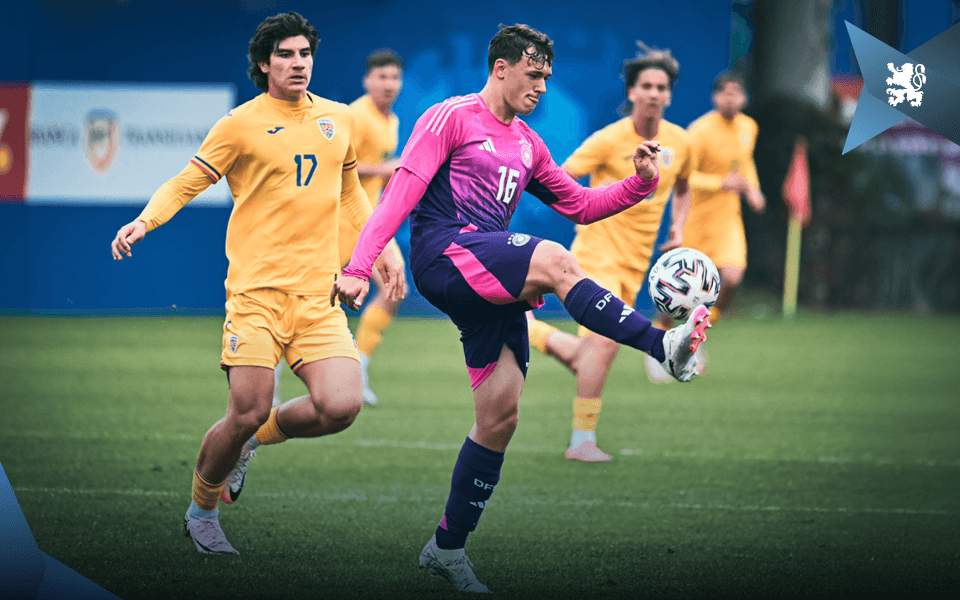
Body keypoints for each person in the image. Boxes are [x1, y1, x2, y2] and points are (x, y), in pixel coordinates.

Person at [332, 24, 710, 593]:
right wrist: (360, 266)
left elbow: (581, 205)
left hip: (485, 273)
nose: (540, 87)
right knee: (558, 262)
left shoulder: (529, 143)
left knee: (500, 419)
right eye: (532, 75)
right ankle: (664, 345)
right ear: (501, 68)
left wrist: (638, 183)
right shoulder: (449, 117)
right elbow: (399, 197)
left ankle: (446, 547)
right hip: (444, 252)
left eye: (547, 78)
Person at [109, 11, 403, 555]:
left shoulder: (339, 119)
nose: (298, 64)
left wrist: (383, 246)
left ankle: (252, 444)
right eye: (286, 55)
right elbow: (187, 181)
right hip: (256, 294)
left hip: (317, 294)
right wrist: (144, 220)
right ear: (265, 63)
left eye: (305, 54)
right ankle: (202, 512)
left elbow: (350, 195)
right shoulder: (240, 123)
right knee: (243, 409)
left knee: (341, 407)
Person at [526, 43, 693, 462]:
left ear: (669, 95)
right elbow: (558, 177)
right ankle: (582, 441)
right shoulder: (609, 139)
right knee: (602, 346)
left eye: (661, 87)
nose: (653, 93)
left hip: (638, 263)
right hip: (597, 254)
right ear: (632, 93)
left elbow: (685, 185)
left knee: (599, 351)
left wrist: (678, 226)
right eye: (645, 86)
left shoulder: (682, 143)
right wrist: (587, 204)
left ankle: (529, 331)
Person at [272, 49, 408, 409]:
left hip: (368, 223)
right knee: (304, 300)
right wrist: (384, 171)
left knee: (394, 288)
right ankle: (266, 370)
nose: (389, 84)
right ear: (367, 80)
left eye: (394, 77)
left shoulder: (389, 120)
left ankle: (359, 366)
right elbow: (334, 166)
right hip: (336, 222)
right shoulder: (353, 116)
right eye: (382, 77)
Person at [647, 70, 764, 380]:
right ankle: (659, 336)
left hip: (728, 221)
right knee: (677, 292)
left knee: (733, 277)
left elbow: (745, 163)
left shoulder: (748, 127)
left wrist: (753, 189)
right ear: (715, 97)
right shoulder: (698, 131)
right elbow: (686, 177)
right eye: (725, 93)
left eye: (736, 93)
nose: (731, 98)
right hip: (696, 220)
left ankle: (696, 331)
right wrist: (721, 183)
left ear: (744, 97)